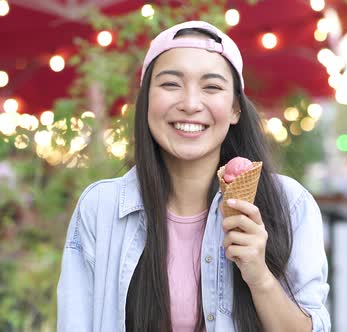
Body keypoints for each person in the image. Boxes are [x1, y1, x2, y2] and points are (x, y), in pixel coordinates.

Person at [57, 21, 330, 332]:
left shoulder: (289, 205)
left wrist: (259, 276)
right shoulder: (100, 209)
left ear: (235, 109)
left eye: (211, 87)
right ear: (146, 100)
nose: (189, 104)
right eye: (171, 84)